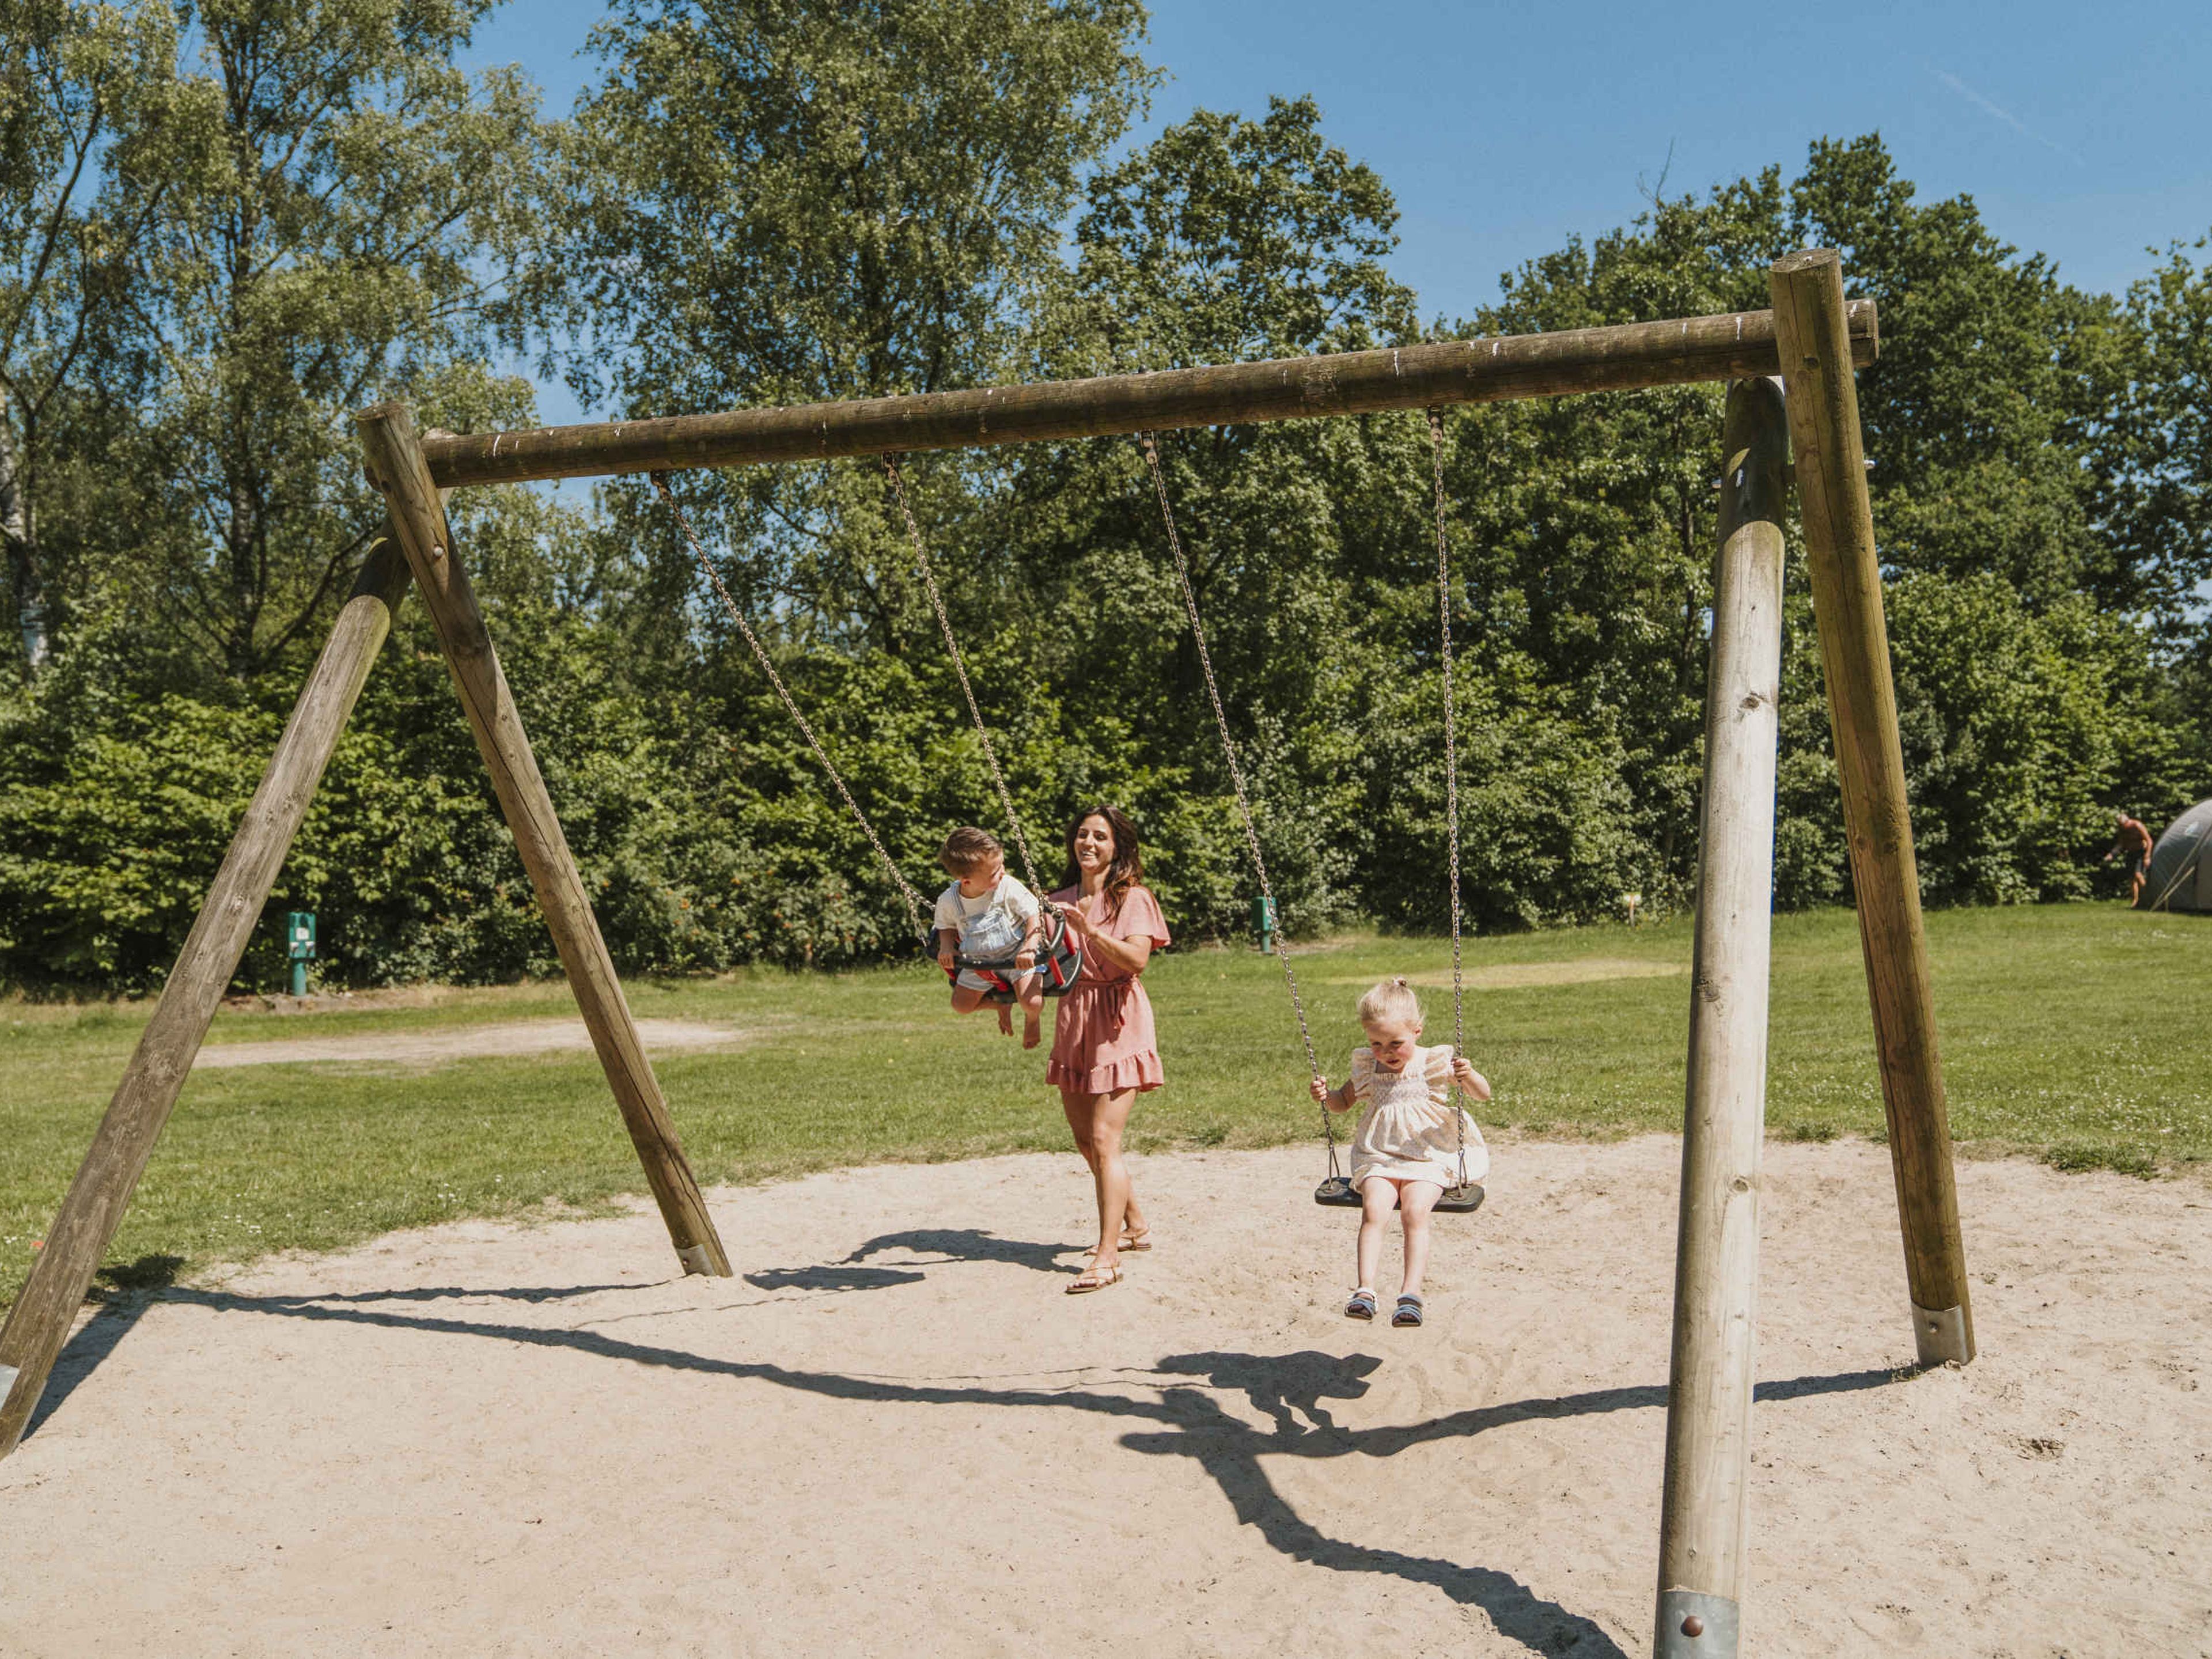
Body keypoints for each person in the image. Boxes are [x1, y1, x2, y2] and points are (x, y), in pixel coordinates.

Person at [1310, 976, 1491, 1328]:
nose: (1386, 1052)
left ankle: (1410, 1295)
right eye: (1376, 1043)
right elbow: (1342, 1103)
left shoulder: (1434, 1063)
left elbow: (1482, 1094)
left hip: (1429, 1156)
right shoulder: (1368, 1068)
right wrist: (1325, 1096)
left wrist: (1470, 1076)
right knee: (1374, 1208)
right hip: (1379, 1156)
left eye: (1396, 1043)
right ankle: (1364, 1291)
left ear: (1417, 1031)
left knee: (1414, 1210)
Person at [1046, 805, 1171, 1294]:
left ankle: (1106, 1257)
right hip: (1074, 1018)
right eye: (1082, 835)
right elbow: (1036, 961)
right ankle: (1135, 1222)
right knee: (1084, 1140)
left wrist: (1091, 931)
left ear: (1118, 846)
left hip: (1119, 1019)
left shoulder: (1133, 899)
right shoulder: (1056, 900)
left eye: (1100, 836)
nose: (1089, 843)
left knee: (1104, 1140)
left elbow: (1137, 957)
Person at [934, 827, 1046, 1048]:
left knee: (1032, 1003)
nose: (1003, 872)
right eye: (995, 872)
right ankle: (999, 1005)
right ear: (966, 882)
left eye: (1001, 865)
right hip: (979, 963)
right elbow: (944, 927)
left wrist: (1031, 946)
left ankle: (1032, 1020)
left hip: (1017, 956)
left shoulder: (1008, 887)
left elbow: (1034, 915)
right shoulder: (949, 900)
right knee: (961, 1006)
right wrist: (946, 947)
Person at [2106, 811, 2155, 907]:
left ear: (2127, 822)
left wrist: (2147, 856)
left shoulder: (2137, 825)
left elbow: (2149, 841)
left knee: (2138, 875)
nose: (2123, 827)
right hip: (2131, 853)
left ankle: (2148, 899)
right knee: (2131, 878)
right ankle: (2136, 902)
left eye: (2123, 825)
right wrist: (2112, 854)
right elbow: (2121, 844)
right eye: (2120, 825)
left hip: (2141, 852)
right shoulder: (2122, 829)